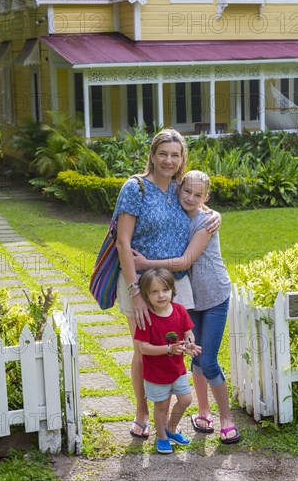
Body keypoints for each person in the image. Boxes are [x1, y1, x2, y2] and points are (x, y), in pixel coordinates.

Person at [113, 129, 221, 438]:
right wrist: (135, 293)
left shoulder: (178, 189)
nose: (168, 161)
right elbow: (123, 243)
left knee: (176, 347)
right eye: (163, 154)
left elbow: (200, 205)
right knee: (143, 350)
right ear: (152, 155)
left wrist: (217, 215)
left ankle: (166, 417)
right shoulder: (136, 188)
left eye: (175, 155)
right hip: (140, 283)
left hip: (175, 285)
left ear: (182, 159)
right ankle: (142, 412)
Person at [133, 170, 240, 444]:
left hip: (214, 294)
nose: (191, 198)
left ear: (206, 197)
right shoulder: (177, 215)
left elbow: (186, 260)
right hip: (190, 298)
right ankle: (203, 413)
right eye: (187, 191)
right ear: (179, 189)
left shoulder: (207, 221)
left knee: (209, 359)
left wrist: (145, 265)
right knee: (194, 353)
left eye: (198, 194)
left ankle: (227, 419)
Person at [134, 267, 202, 454]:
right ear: (146, 296)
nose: (161, 295)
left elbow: (188, 334)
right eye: (154, 292)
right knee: (161, 406)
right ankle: (162, 437)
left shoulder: (179, 310)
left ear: (172, 290)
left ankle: (171, 428)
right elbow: (143, 348)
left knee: (186, 399)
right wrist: (168, 349)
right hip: (156, 374)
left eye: (165, 290)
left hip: (177, 370)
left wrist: (189, 345)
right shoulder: (147, 318)